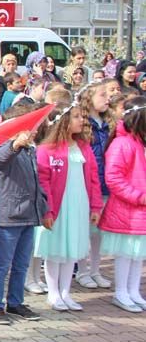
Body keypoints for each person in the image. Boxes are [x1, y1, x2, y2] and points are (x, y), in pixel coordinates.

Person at [34, 105, 103, 312]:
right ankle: (53, 292)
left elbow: (93, 178)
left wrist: (95, 206)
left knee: (71, 247)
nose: (82, 121)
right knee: (56, 248)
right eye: (76, 117)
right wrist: (48, 210)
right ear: (63, 121)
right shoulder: (47, 149)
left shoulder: (83, 147)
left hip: (78, 203)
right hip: (58, 205)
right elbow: (43, 181)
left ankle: (66, 292)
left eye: (82, 117)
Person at [0, 104, 47, 325]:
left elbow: (35, 182)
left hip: (29, 215)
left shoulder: (30, 149)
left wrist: (43, 207)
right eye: (30, 124)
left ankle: (15, 302)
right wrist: (15, 144)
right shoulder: (2, 146)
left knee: (21, 263)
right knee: (3, 264)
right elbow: (1, 159)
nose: (34, 129)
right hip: (9, 216)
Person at [99, 97, 146, 311]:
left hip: (139, 210)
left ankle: (134, 290)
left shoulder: (138, 142)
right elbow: (114, 178)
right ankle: (121, 292)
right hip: (128, 209)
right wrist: (139, 197)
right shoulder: (122, 143)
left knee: (138, 254)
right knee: (126, 254)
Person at [79, 81, 115, 290]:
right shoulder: (84, 125)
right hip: (86, 184)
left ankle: (95, 270)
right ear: (89, 98)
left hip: (105, 184)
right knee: (85, 230)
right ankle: (82, 271)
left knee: (98, 233)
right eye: (102, 95)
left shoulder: (109, 123)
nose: (107, 98)